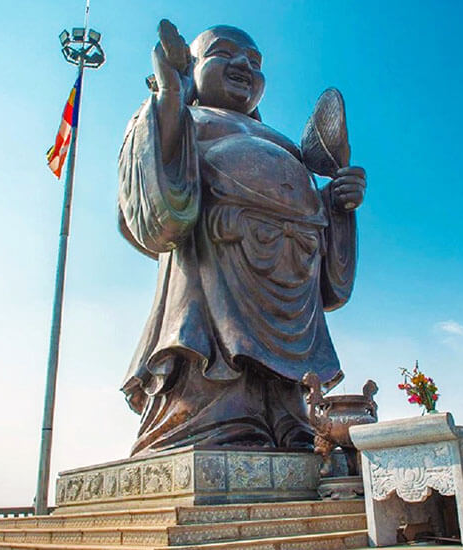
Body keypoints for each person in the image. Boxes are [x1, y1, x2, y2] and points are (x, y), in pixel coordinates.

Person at [117, 21, 366, 455]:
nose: (242, 66)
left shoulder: (281, 141)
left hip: (292, 260)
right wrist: (171, 93)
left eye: (255, 62)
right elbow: (156, 193)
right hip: (218, 252)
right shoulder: (181, 114)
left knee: (287, 395)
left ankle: (287, 424)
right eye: (224, 53)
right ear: (192, 67)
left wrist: (337, 205)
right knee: (218, 379)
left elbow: (317, 222)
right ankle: (211, 423)